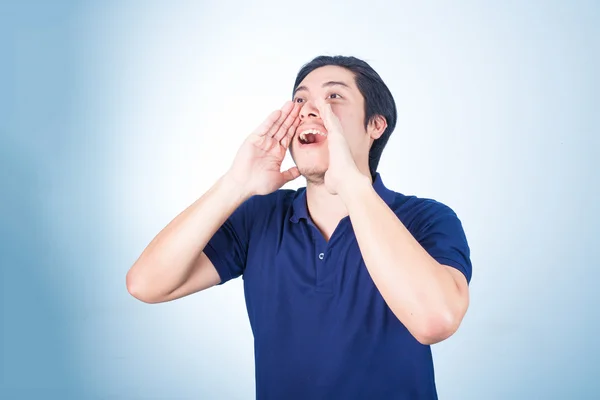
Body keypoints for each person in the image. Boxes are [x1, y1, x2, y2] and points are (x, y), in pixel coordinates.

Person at [126, 55, 472, 399]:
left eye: (333, 97)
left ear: (375, 126)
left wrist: (350, 184)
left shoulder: (426, 218)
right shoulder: (260, 218)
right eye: (301, 99)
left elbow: (435, 320)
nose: (309, 108)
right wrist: (235, 184)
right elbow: (146, 284)